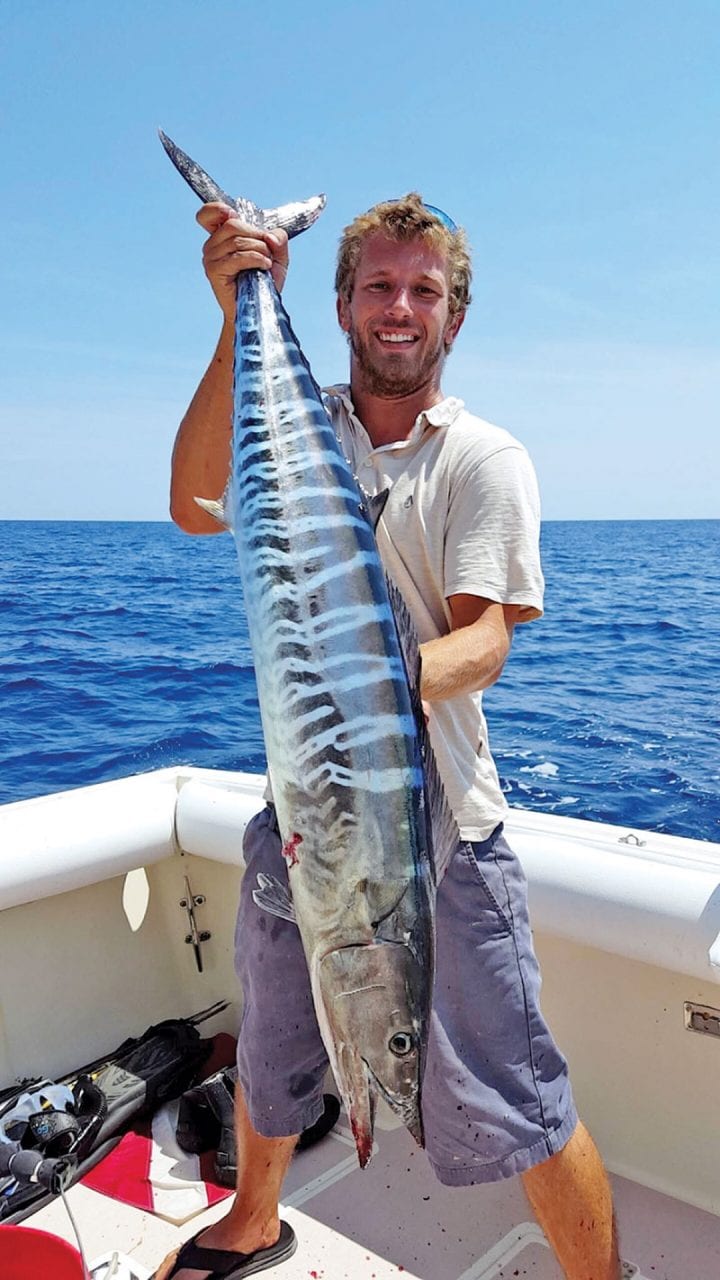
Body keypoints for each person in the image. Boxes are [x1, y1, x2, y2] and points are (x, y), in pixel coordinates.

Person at [157, 194, 621, 1280]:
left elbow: (486, 642)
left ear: (452, 316)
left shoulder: (482, 458)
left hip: (443, 828)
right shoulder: (295, 420)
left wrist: (368, 686)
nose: (400, 308)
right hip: (306, 814)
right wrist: (239, 306)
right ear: (345, 304)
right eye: (379, 286)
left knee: (518, 1089)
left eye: (423, 290)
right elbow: (188, 501)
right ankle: (253, 1216)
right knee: (273, 1038)